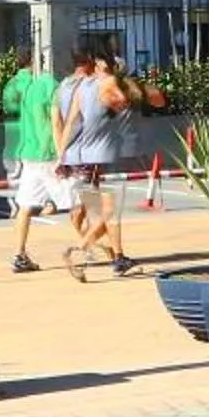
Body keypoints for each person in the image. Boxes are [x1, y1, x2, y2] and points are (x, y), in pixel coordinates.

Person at [64, 52, 137, 281]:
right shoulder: (109, 86)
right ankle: (80, 250)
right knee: (108, 213)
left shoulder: (82, 89)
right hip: (107, 156)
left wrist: (63, 155)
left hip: (88, 158)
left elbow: (72, 122)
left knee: (106, 213)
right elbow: (125, 104)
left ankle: (119, 257)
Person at [0, 50, 67, 274]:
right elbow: (55, 122)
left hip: (22, 147)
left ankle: (19, 253)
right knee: (76, 202)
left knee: (24, 205)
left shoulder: (12, 86)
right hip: (47, 151)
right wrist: (62, 154)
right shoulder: (46, 85)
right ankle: (100, 249)